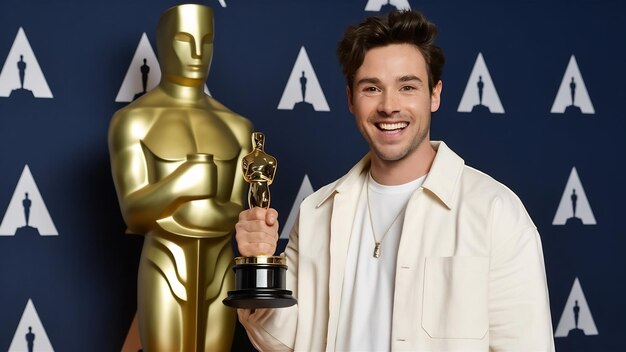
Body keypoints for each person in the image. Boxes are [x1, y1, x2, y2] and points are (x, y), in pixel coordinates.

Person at [235, 9, 554, 351]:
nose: (389, 106)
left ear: (435, 94)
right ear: (350, 100)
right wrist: (260, 263)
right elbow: (281, 342)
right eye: (372, 88)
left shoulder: (494, 211)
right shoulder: (316, 213)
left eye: (407, 86)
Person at [108, 4, 252, 351]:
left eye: (207, 42)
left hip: (220, 263)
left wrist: (185, 206)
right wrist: (183, 183)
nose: (198, 54)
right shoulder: (134, 121)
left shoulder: (237, 127)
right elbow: (134, 213)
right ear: (164, 44)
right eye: (185, 40)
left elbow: (239, 212)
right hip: (164, 259)